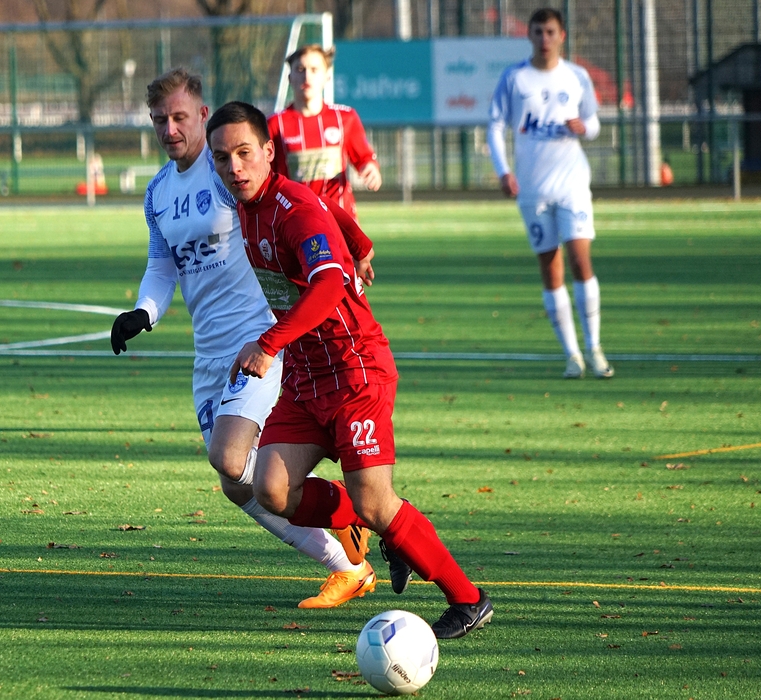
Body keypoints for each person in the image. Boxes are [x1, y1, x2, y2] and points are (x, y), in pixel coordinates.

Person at [206, 100, 493, 640]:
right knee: (271, 489)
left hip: (354, 367)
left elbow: (329, 286)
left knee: (375, 500)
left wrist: (268, 343)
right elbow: (327, 206)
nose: (234, 167)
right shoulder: (250, 200)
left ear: (269, 151)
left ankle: (468, 598)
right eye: (222, 158)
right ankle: (375, 522)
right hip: (306, 375)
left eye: (244, 153)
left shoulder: (291, 209)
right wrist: (359, 245)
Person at [110, 68, 377, 609]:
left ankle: (346, 512)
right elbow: (162, 263)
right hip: (209, 356)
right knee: (236, 483)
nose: (169, 129)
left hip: (258, 342)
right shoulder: (158, 192)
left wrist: (356, 242)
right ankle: (349, 564)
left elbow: (305, 202)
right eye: (159, 120)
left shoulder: (226, 174)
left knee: (231, 459)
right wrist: (143, 311)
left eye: (179, 117)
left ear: (202, 115)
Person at [487, 7, 614, 379]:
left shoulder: (576, 76)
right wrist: (504, 171)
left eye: (551, 32)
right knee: (550, 267)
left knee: (580, 261)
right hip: (533, 190)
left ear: (562, 36)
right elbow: (495, 126)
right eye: (539, 32)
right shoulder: (515, 78)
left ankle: (595, 348)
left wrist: (583, 128)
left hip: (572, 184)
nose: (545, 39)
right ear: (529, 35)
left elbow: (593, 122)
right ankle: (572, 355)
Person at [269, 44, 381, 222]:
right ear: (290, 78)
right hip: (297, 222)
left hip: (341, 220)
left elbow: (364, 157)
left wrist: (370, 167)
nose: (307, 76)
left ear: (327, 77)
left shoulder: (345, 118)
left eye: (314, 70)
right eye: (300, 69)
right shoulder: (276, 124)